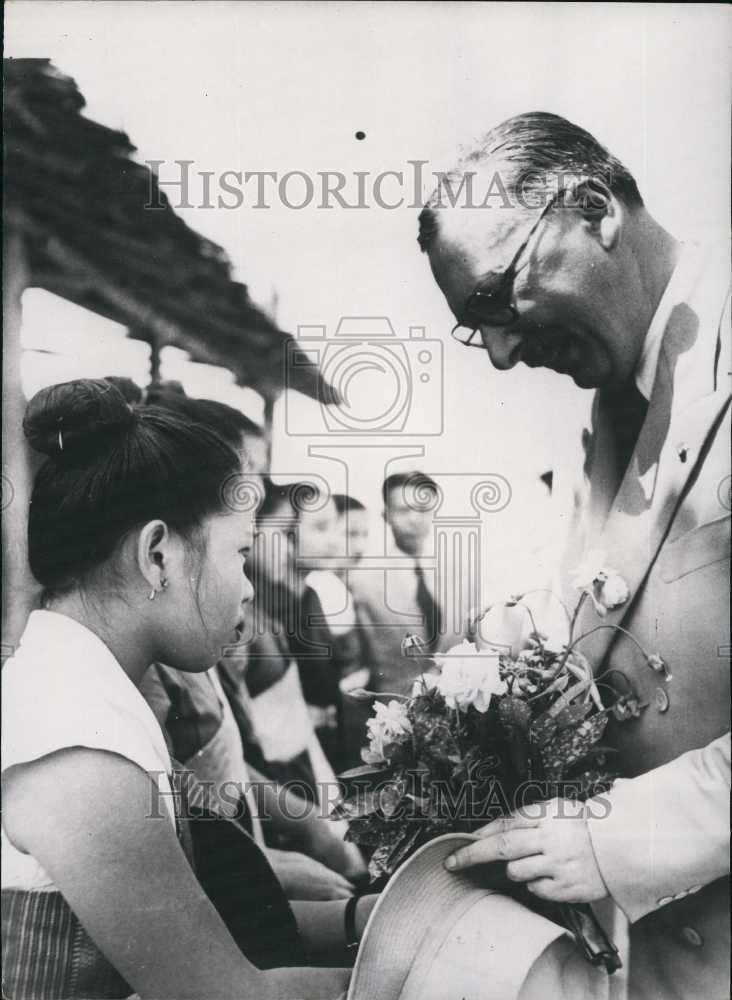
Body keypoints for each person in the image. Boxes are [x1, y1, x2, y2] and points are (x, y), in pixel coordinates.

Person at [418, 112, 730, 1000]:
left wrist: (617, 837)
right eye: (474, 329)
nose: (504, 353)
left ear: (592, 209)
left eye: (496, 299)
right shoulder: (609, 407)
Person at [1, 378, 375, 999]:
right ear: (158, 555)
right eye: (240, 552)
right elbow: (227, 993)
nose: (251, 587)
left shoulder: (89, 690)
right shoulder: (76, 740)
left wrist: (375, 926)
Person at [349, 472, 444, 698]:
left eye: (422, 509)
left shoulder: (460, 577)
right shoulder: (362, 582)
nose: (414, 519)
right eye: (403, 510)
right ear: (386, 515)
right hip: (395, 713)